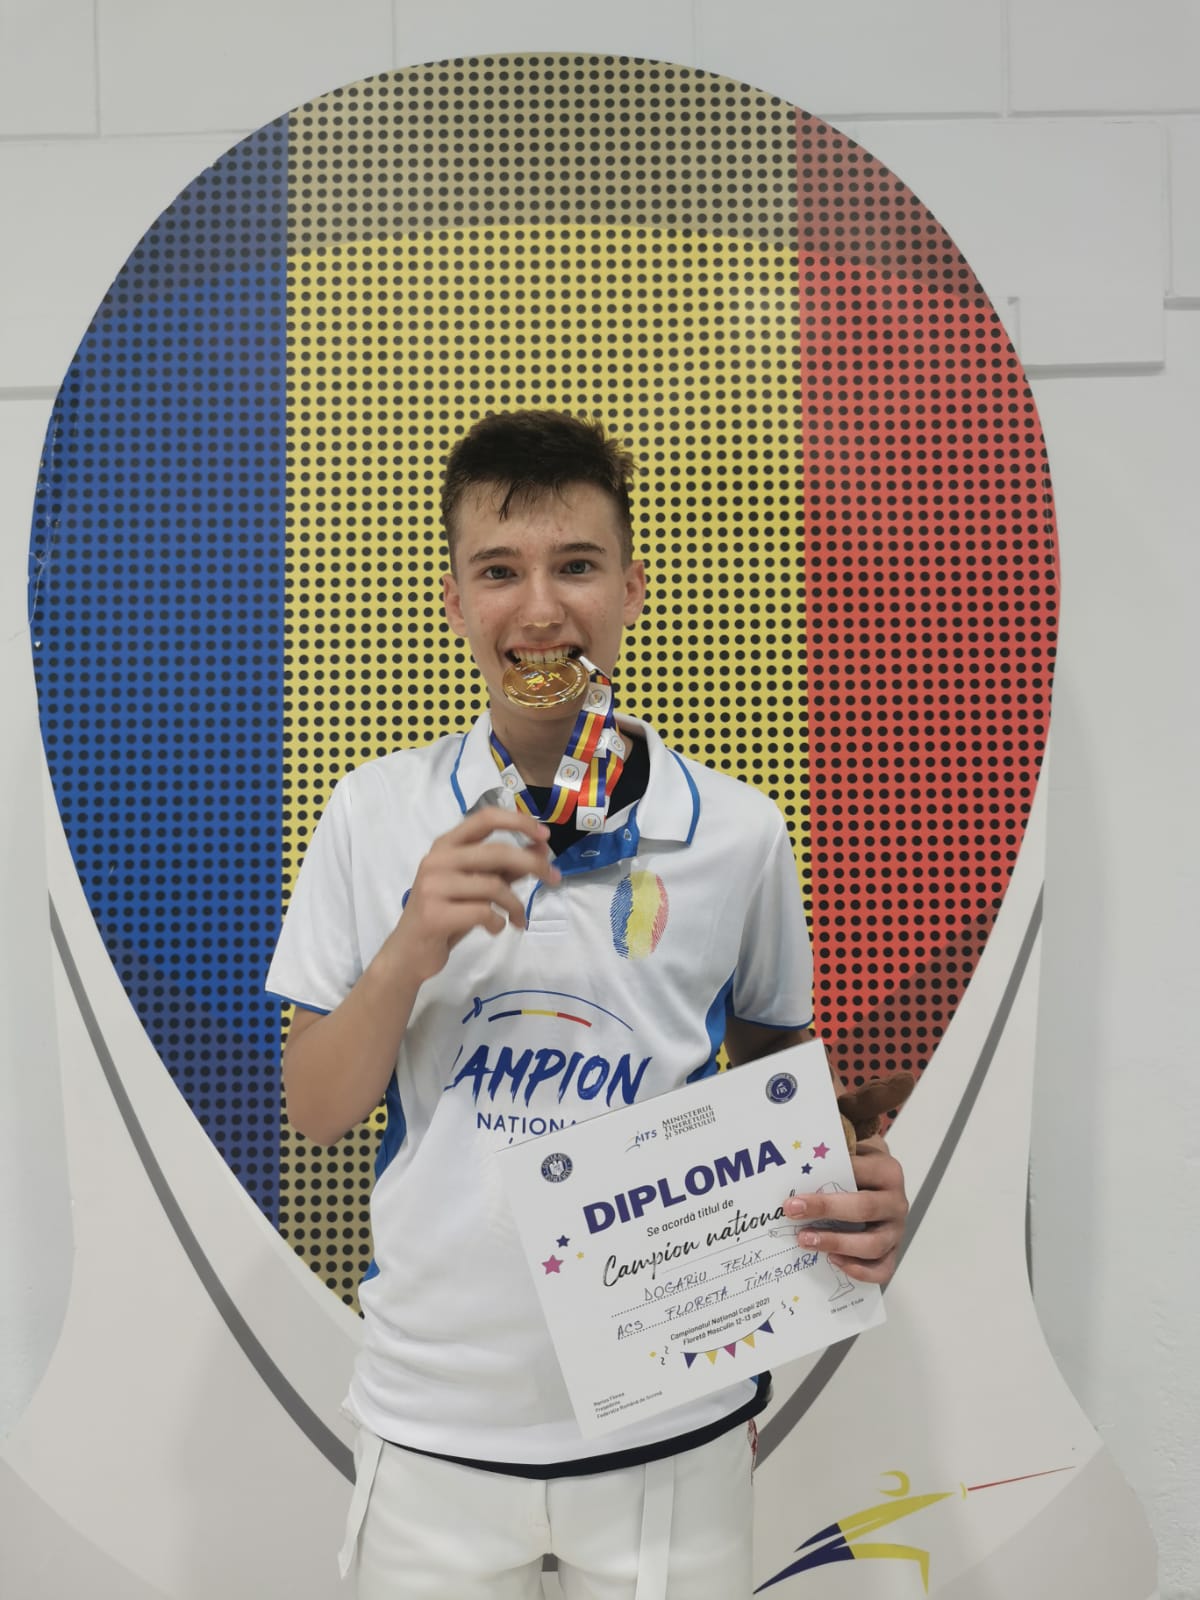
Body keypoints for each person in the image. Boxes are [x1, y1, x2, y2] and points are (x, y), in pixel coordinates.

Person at [266, 410, 908, 1599]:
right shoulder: (372, 814)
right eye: (497, 571)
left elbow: (785, 1099)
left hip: (674, 1424)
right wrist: (411, 943)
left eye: (575, 566)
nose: (540, 609)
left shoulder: (740, 832)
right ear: (453, 602)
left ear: (630, 589)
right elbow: (315, 1108)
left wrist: (855, 1189)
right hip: (432, 1429)